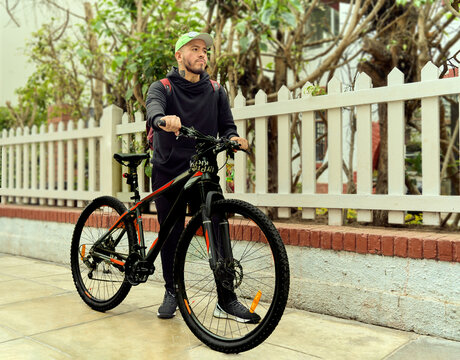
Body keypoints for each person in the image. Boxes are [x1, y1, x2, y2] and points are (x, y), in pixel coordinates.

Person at [146, 31, 260, 323]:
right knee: (170, 234)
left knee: (218, 228)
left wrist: (234, 138)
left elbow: (227, 126)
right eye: (194, 49)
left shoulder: (215, 90)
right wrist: (163, 120)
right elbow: (153, 112)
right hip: (169, 170)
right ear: (179, 56)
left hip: (204, 171)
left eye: (205, 50)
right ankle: (172, 291)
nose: (202, 54)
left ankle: (226, 299)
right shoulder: (163, 87)